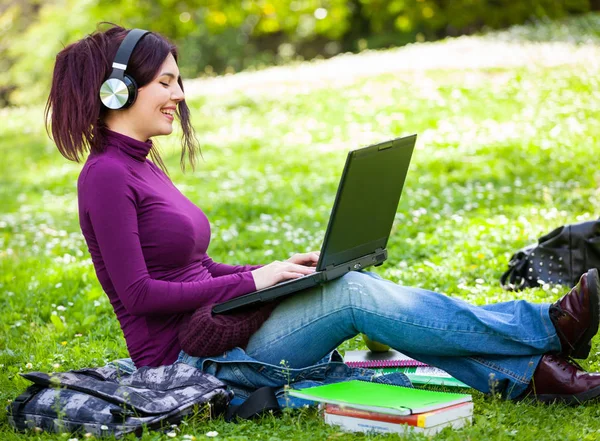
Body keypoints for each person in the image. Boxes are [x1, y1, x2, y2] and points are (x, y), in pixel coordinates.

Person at [46, 24, 600, 408]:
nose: (179, 95)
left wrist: (273, 271)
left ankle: (532, 377)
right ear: (118, 90)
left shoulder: (145, 167)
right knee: (352, 294)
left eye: (177, 81)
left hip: (217, 333)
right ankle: (547, 327)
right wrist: (253, 282)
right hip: (189, 365)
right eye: (165, 82)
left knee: (343, 283)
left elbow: (193, 268)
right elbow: (140, 294)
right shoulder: (105, 176)